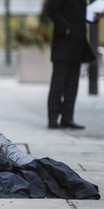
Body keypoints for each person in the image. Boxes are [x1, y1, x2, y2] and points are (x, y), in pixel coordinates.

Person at [46, 0, 95, 129]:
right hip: (63, 45)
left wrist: (95, 16)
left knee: (72, 85)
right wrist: (66, 28)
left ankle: (67, 118)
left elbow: (82, 15)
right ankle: (53, 118)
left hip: (78, 45)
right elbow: (52, 10)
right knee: (58, 83)